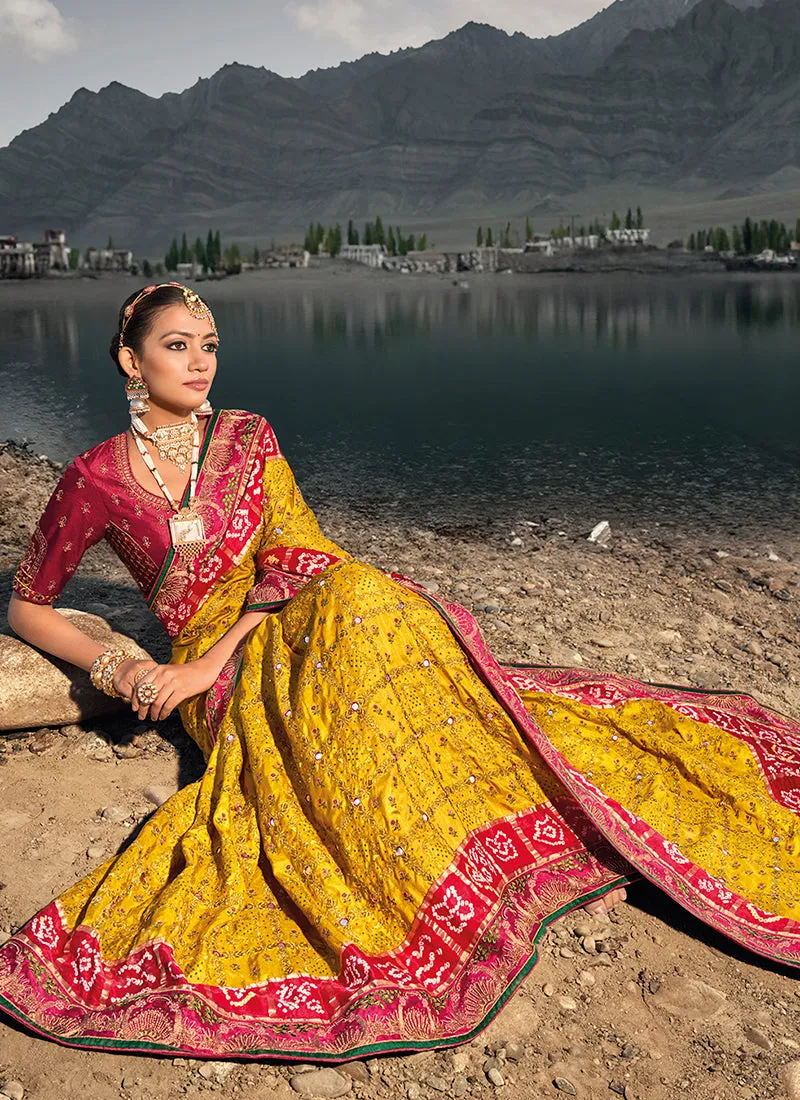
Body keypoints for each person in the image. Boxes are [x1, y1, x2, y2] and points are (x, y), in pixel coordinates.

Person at [0, 282, 797, 1061]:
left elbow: (299, 554)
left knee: (363, 594)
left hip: (267, 624)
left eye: (209, 346)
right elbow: (29, 606)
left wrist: (208, 662)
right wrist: (126, 669)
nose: (201, 363)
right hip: (216, 674)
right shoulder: (95, 478)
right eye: (178, 347)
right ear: (129, 362)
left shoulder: (248, 435)